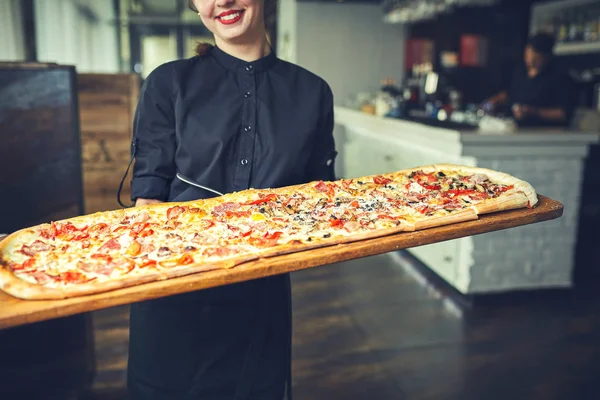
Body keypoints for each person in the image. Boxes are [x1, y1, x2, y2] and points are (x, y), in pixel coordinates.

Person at [121, 0, 337, 398]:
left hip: (260, 293)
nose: (221, 1)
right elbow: (148, 197)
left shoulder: (313, 92)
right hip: (176, 285)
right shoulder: (167, 82)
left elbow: (320, 200)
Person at [483, 33, 576, 127]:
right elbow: (512, 94)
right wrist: (495, 100)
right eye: (528, 54)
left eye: (535, 56)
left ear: (546, 56)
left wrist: (533, 112)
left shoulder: (560, 78)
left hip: (544, 133)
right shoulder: (520, 73)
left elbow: (563, 114)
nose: (530, 60)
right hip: (516, 129)